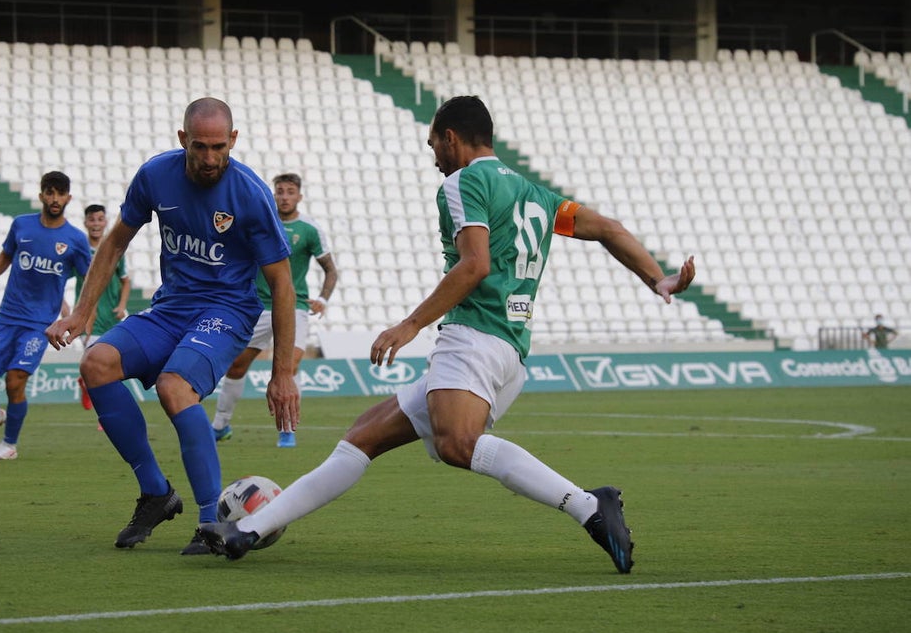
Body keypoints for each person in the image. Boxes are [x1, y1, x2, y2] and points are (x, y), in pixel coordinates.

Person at [198, 95, 696, 574]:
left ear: (451, 137)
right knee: (362, 438)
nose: (433, 155)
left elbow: (474, 264)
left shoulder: (463, 183)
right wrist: (658, 278)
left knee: (458, 444)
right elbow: (608, 228)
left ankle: (589, 506)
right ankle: (251, 530)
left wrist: (409, 324)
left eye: (433, 143)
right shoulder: (536, 194)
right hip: (509, 349)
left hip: (475, 337)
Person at [45, 97, 299, 556]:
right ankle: (156, 493)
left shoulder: (251, 194)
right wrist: (82, 312)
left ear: (233, 140)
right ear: (183, 139)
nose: (208, 158)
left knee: (174, 386)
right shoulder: (155, 175)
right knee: (97, 362)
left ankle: (210, 522)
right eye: (199, 147)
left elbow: (282, 285)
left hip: (227, 311)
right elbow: (115, 242)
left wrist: (282, 373)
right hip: (172, 307)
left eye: (218, 147)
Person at [0, 171, 91, 460]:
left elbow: (89, 279)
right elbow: (6, 255)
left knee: (15, 379)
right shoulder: (21, 225)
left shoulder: (74, 239)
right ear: (41, 196)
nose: (55, 198)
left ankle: (9, 445)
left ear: (68, 198)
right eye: (50, 192)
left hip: (40, 324)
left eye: (60, 193)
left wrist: (81, 316)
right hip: (7, 318)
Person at [211, 172, 338, 448]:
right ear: (273, 194)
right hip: (257, 307)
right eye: (280, 191)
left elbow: (330, 270)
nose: (284, 196)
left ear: (299, 196)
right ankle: (220, 425)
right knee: (236, 366)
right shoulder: (260, 222)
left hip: (294, 307)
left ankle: (287, 430)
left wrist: (324, 299)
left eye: (290, 191)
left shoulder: (309, 229)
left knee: (288, 367)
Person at [75, 203, 132, 413]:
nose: (96, 224)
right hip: (89, 317)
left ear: (105, 221)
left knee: (111, 364)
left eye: (100, 219)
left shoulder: (114, 248)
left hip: (112, 316)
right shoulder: (80, 251)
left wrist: (122, 305)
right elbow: (63, 277)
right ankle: (106, 414)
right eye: (92, 220)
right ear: (85, 223)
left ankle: (88, 385)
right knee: (99, 363)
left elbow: (126, 280)